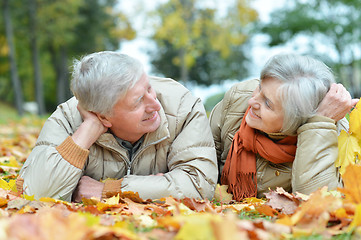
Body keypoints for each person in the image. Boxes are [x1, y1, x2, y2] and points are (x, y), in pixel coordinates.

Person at [17, 51, 217, 202]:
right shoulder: (68, 117)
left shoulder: (182, 106)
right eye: (138, 101)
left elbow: (199, 185)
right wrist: (87, 132)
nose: (155, 105)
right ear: (104, 116)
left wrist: (111, 190)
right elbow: (36, 194)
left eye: (149, 88)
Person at [209, 53, 358, 201]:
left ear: (295, 118)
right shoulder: (238, 100)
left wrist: (318, 127)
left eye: (267, 103)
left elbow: (317, 202)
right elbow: (203, 165)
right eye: (260, 88)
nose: (252, 102)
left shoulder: (338, 135)